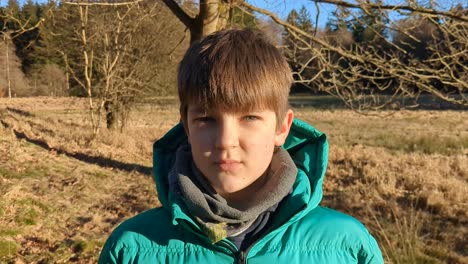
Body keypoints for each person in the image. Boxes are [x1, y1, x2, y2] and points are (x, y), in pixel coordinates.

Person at [99, 28, 384, 263]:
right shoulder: (132, 248)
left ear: (281, 128)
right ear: (186, 127)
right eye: (207, 119)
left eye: (249, 117)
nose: (225, 141)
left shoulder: (347, 246)